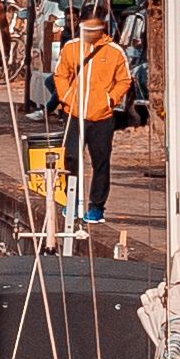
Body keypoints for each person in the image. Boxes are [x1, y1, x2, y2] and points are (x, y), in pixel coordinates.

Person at [55, 13, 138, 227]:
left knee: (100, 160)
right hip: (74, 112)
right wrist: (66, 97)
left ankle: (97, 205)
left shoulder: (115, 51)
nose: (91, 33)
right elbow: (61, 74)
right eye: (87, 29)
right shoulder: (71, 48)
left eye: (95, 29)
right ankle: (71, 199)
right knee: (71, 157)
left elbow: (124, 80)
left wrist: (110, 100)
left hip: (102, 116)